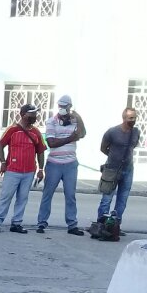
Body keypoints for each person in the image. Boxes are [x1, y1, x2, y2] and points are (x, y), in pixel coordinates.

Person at [0, 105, 46, 234]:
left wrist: (41, 169)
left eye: (35, 114)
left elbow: (41, 151)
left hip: (29, 171)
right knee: (6, 196)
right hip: (12, 170)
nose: (34, 117)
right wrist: (3, 162)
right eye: (31, 114)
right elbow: (0, 146)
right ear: (23, 114)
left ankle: (16, 223)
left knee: (22, 198)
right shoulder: (12, 130)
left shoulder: (36, 132)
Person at [36, 95, 86, 235]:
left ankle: (72, 225)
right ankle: (41, 223)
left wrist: (79, 118)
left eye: (65, 106)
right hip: (54, 163)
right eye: (60, 106)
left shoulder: (74, 121)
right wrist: (70, 138)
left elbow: (82, 134)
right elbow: (51, 142)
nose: (62, 109)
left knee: (70, 195)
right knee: (48, 194)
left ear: (70, 107)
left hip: (70, 163)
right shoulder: (52, 121)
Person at [96, 109, 141, 224]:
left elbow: (133, 146)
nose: (133, 120)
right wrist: (114, 156)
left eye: (135, 118)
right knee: (107, 198)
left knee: (122, 199)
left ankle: (115, 225)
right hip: (112, 168)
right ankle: (102, 224)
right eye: (130, 118)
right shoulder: (112, 132)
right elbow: (103, 148)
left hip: (128, 169)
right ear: (124, 118)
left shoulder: (136, 132)